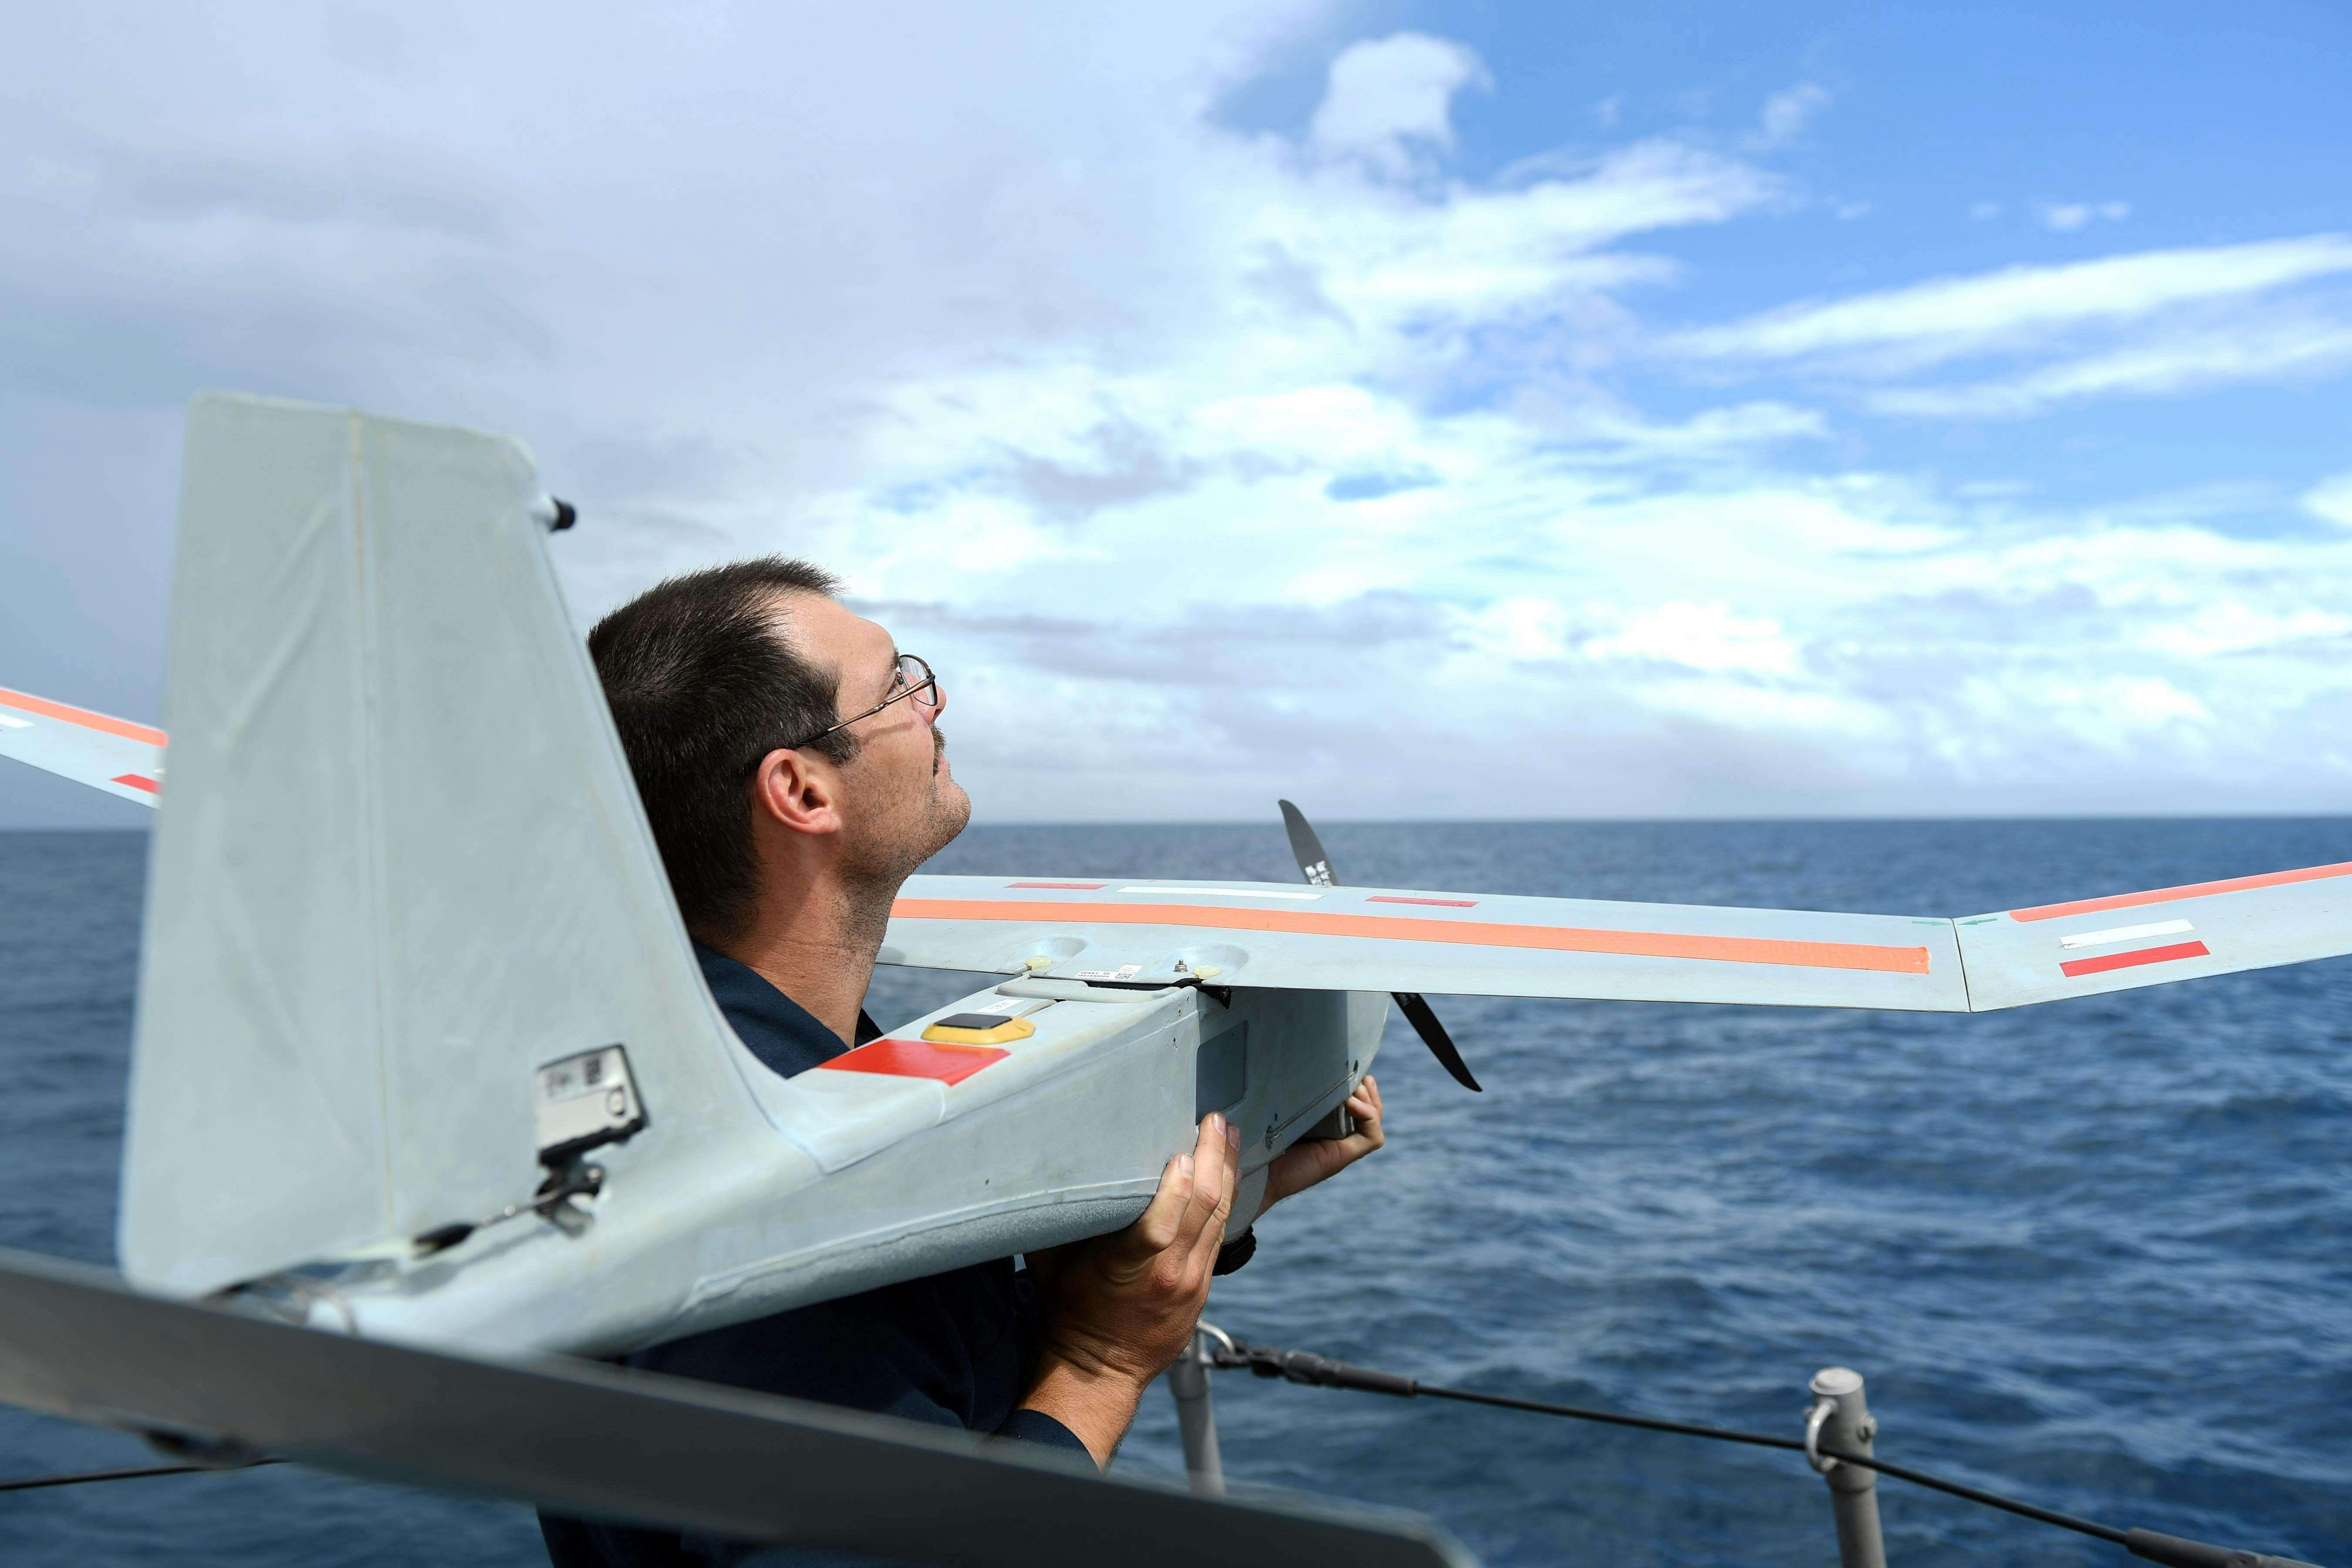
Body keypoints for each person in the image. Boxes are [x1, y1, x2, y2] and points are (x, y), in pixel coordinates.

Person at [540, 557, 1385, 1567]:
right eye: (898, 684)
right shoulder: (810, 1184)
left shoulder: (697, 1064)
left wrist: (1208, 1218)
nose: (934, 704)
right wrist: (1100, 1365)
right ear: (802, 789)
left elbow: (911, 1352)